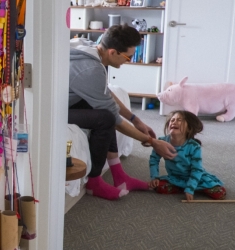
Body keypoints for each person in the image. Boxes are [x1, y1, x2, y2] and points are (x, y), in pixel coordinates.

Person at [69, 24, 177, 200]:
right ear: (112, 52)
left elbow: (103, 92)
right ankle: (94, 183)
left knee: (105, 109)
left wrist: (135, 120)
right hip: (54, 109)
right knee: (105, 118)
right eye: (128, 57)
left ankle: (120, 177)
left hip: (68, 98)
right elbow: (113, 117)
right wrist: (152, 142)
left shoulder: (91, 49)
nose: (129, 60)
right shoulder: (91, 69)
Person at [149, 111, 226, 201]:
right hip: (175, 178)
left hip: (196, 177)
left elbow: (197, 169)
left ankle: (191, 187)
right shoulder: (161, 142)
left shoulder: (194, 146)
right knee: (158, 187)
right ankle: (182, 187)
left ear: (189, 128)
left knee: (219, 193)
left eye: (179, 120)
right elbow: (154, 160)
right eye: (172, 120)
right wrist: (154, 177)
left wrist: (190, 188)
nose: (174, 122)